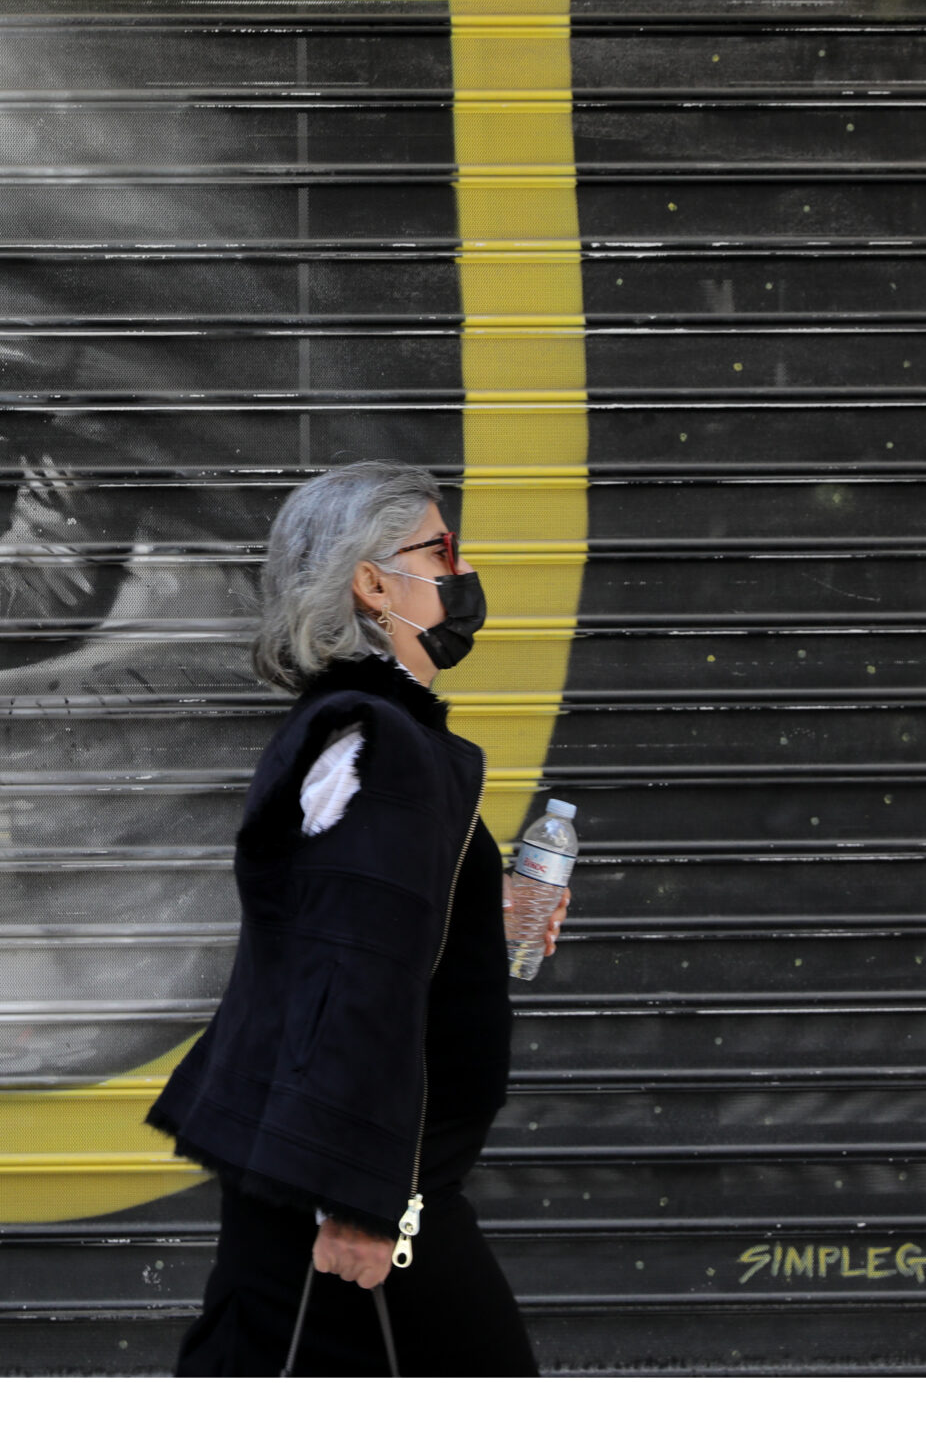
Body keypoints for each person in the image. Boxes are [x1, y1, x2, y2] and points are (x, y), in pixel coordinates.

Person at [147, 461, 566, 1376]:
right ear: (373, 584)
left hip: (359, 1172)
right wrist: (357, 1204)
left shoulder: (377, 738)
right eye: (442, 550)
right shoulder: (378, 746)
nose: (463, 572)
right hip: (362, 1186)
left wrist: (487, 915)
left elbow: (370, 928)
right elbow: (350, 972)